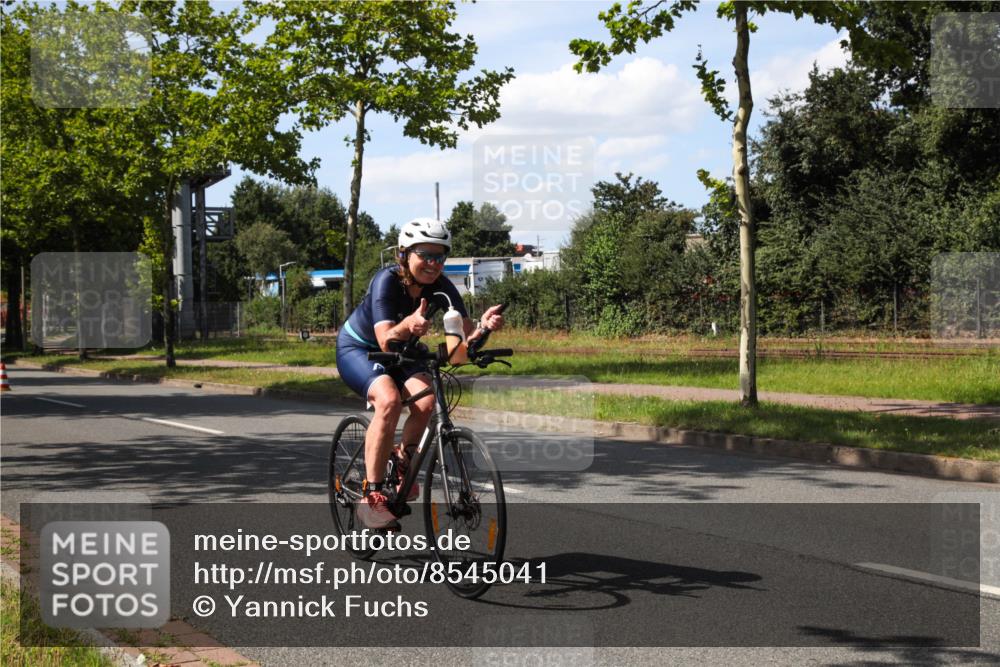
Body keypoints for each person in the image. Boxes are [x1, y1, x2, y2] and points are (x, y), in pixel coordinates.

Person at [335, 218, 505, 529]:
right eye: (425, 255)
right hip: (359, 349)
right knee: (387, 400)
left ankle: (401, 461)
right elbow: (386, 338)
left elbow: (460, 350)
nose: (433, 264)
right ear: (404, 254)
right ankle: (371, 498)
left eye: (440, 257)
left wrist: (482, 328)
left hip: (404, 351)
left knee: (426, 403)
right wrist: (408, 324)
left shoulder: (442, 287)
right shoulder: (386, 281)